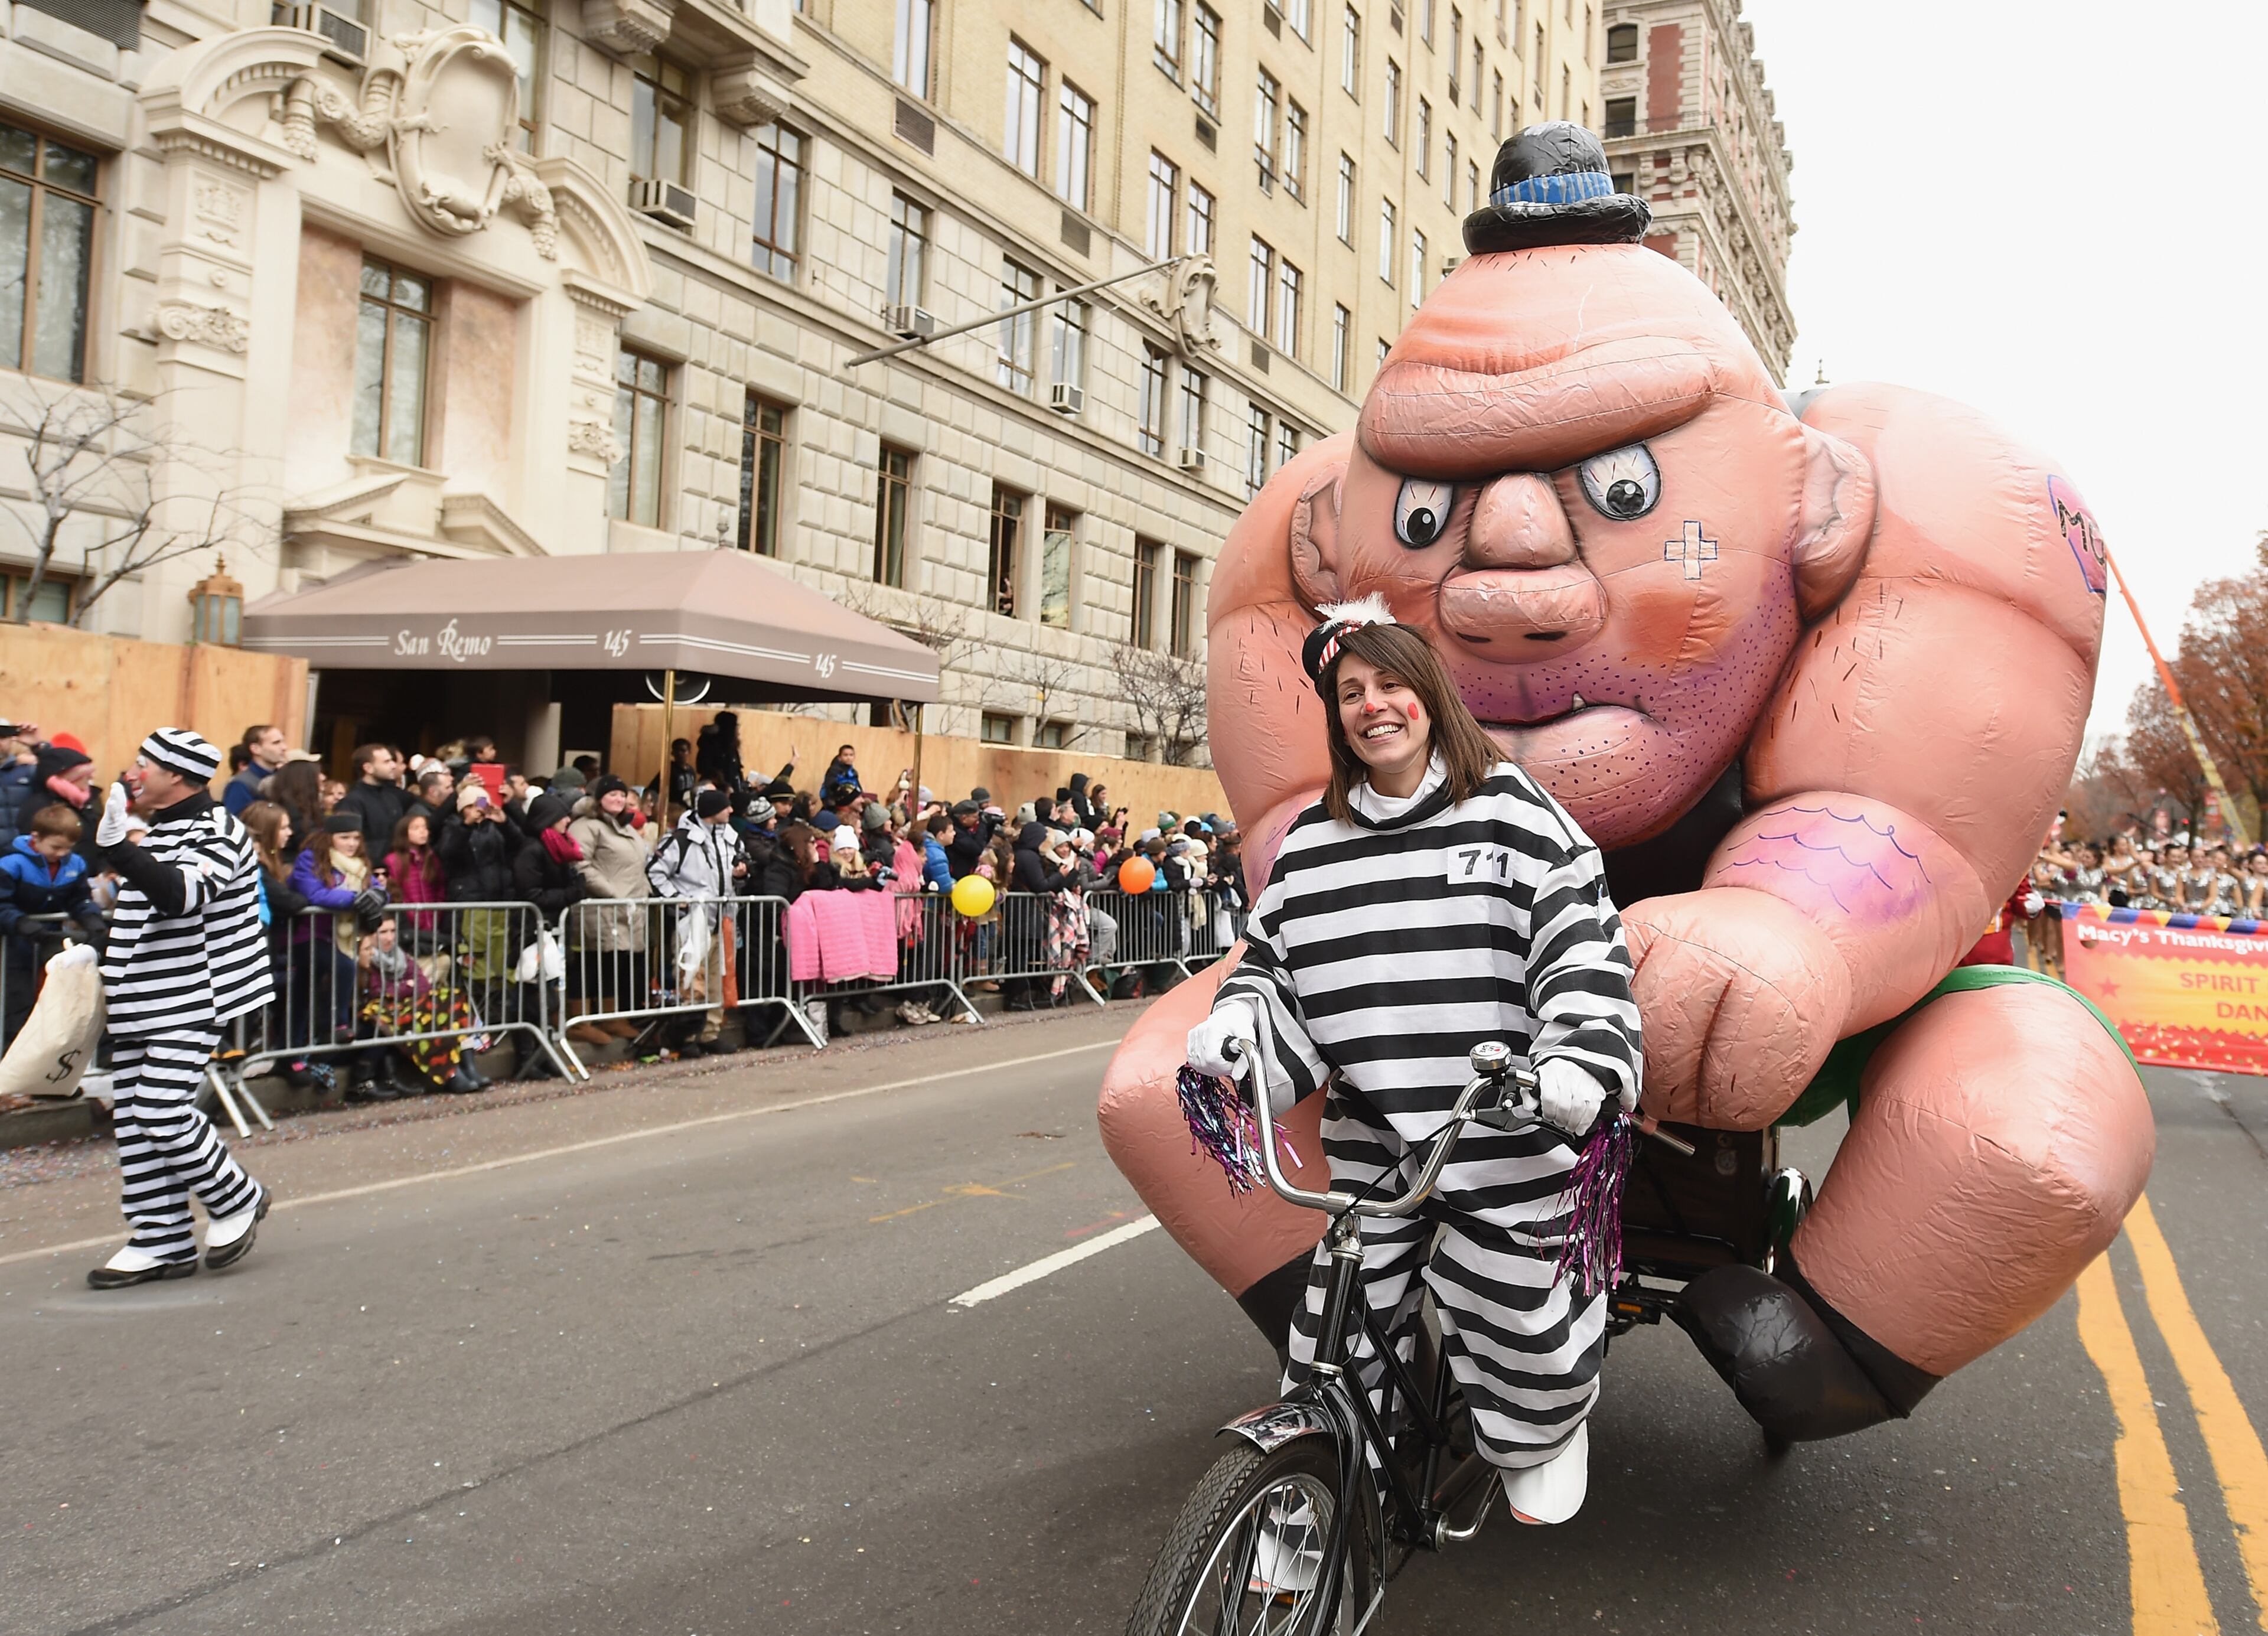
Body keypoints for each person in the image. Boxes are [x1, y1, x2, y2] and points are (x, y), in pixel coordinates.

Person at [1184, 604, 1641, 1533]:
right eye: (1350, 692)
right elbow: (1275, 967)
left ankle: (1542, 1434)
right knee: (1332, 1331)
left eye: (1390, 683)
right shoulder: (1312, 844)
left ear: (1430, 692)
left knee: (1520, 1316)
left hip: (1505, 1131)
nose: (1372, 705)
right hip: (1378, 1144)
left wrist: (1579, 1056)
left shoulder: (1515, 813)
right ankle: (1307, 1506)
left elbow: (1581, 945)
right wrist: (1239, 1024)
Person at [86, 729, 276, 1288]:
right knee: (134, 1120)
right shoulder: (165, 831)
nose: (134, 771)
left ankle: (238, 1197)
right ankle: (160, 1239)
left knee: (161, 1110)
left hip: (194, 995)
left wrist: (121, 848)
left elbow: (183, 895)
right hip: (140, 996)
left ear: (175, 774)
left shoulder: (221, 829)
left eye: (145, 763)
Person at [645, 788, 746, 1055]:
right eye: (726, 807)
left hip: (722, 919)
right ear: (713, 811)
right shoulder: (681, 840)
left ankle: (709, 1033)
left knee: (716, 981)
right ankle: (685, 1036)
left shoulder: (732, 838)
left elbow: (739, 875)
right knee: (691, 981)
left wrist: (740, 876)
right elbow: (654, 870)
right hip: (691, 922)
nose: (731, 811)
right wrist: (675, 898)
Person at [0, 803, 106, 1049]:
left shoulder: (75, 864)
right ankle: (10, 1071)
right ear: (36, 838)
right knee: (18, 1005)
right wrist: (22, 923)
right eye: (56, 847)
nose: (61, 854)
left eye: (67, 849)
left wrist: (92, 920)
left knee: (56, 1004)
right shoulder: (11, 863)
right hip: (16, 943)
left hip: (51, 941)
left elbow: (80, 899)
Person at [565, 775, 653, 1044]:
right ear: (599, 798)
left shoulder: (622, 827)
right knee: (591, 962)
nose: (618, 799)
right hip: (601, 907)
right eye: (612, 794)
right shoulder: (586, 827)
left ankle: (611, 1016)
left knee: (615, 963)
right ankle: (581, 1020)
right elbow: (581, 864)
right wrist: (611, 893)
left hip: (629, 906)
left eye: (622, 794)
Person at [223, 725, 288, 816]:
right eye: (276, 743)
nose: (284, 747)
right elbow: (236, 822)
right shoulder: (241, 784)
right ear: (255, 749)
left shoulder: (284, 777)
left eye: (283, 742)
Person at [819, 744, 862, 812]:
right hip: (834, 800)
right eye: (846, 755)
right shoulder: (834, 770)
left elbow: (859, 788)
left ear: (854, 757)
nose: (849, 758)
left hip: (849, 800)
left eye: (851, 755)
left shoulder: (854, 772)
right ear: (840, 757)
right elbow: (831, 787)